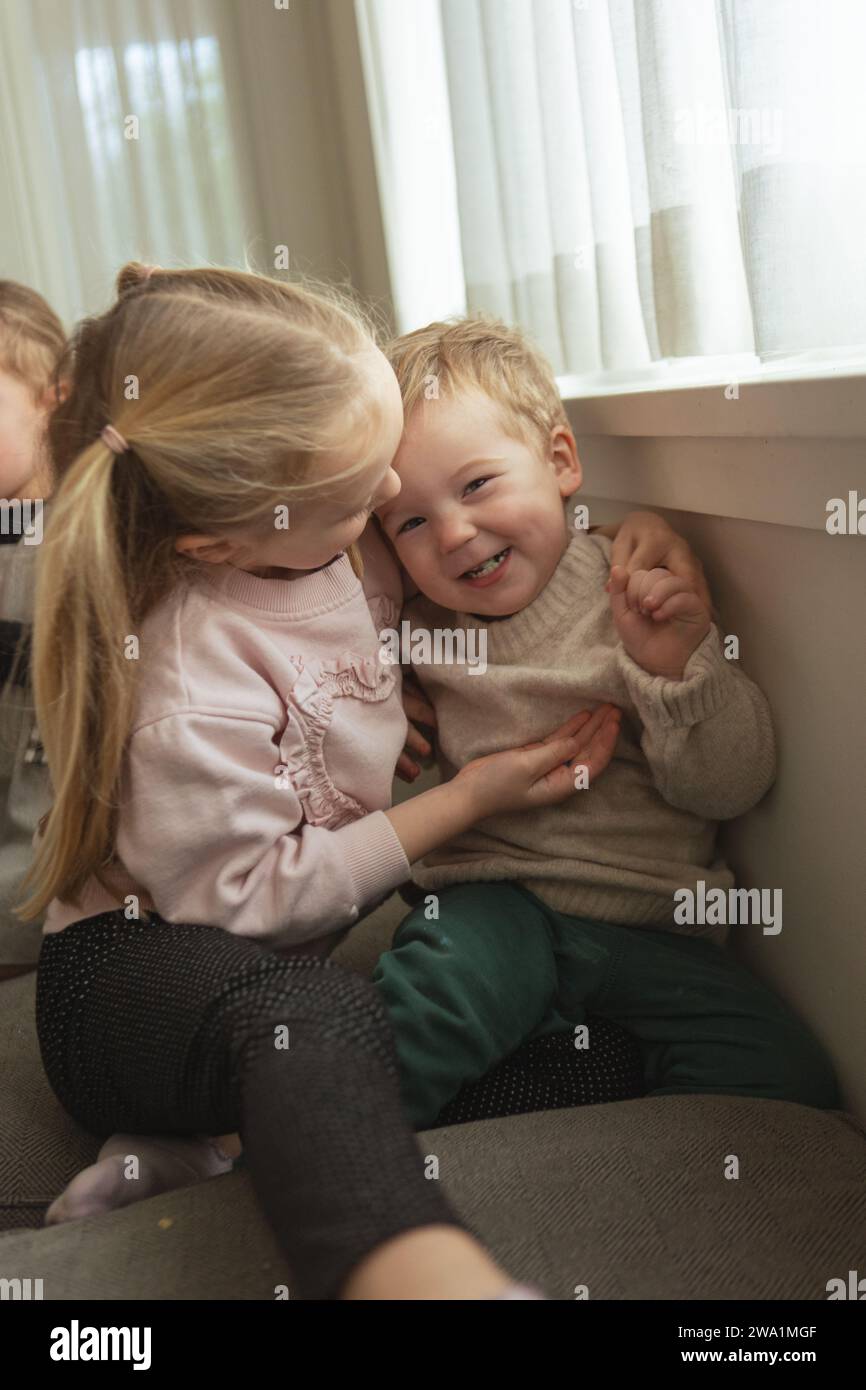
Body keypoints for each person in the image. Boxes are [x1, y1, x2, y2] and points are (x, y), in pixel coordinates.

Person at [19, 264, 628, 1300]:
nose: (390, 499)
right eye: (360, 496)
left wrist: (624, 545)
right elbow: (242, 906)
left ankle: (216, 1142)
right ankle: (415, 1278)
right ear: (221, 541)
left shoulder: (324, 541)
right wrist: (463, 799)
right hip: (131, 982)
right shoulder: (188, 681)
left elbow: (474, 548)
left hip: (259, 977)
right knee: (308, 1012)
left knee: (595, 1060)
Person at [370, 312, 841, 1130]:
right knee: (432, 1000)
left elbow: (731, 788)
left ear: (560, 460)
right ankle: (314, 1135)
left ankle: (563, 1084)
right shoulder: (412, 629)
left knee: (784, 1074)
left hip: (652, 924)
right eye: (410, 521)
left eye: (477, 485)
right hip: (495, 906)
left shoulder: (636, 597)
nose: (452, 533)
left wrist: (673, 672)